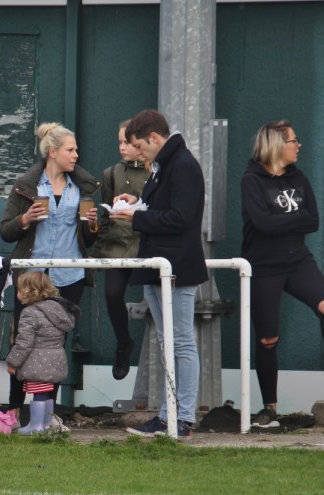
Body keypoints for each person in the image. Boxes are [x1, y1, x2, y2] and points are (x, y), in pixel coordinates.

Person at [241, 120, 324, 428]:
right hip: (263, 266)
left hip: (297, 260)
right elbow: (263, 224)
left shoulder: (297, 177)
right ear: (277, 145)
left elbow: (312, 221)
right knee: (268, 339)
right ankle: (270, 409)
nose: (298, 145)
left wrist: (285, 219)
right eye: (294, 141)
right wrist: (295, 217)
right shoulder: (252, 181)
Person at [0, 122, 99, 427]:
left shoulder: (81, 188)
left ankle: (45, 413)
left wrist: (92, 224)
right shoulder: (26, 186)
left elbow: (90, 238)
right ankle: (14, 409)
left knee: (54, 345)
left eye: (76, 150)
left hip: (70, 275)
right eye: (71, 150)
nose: (76, 155)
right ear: (53, 152)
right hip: (32, 276)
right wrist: (25, 219)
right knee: (23, 339)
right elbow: (5, 231)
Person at [118, 110, 208, 439]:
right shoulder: (166, 166)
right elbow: (166, 210)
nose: (139, 153)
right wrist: (137, 204)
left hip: (175, 267)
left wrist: (136, 217)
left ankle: (182, 418)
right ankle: (169, 415)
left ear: (155, 138)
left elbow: (180, 218)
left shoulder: (182, 165)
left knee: (180, 341)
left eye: (141, 146)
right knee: (168, 341)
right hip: (159, 264)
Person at [91, 119, 151, 380]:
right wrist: (98, 249)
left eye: (127, 142)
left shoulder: (156, 171)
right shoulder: (111, 174)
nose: (122, 147)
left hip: (148, 244)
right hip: (118, 245)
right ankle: (123, 342)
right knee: (113, 294)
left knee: (158, 299)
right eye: (119, 142)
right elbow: (106, 217)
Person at [6, 271, 80, 435]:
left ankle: (36, 426)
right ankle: (46, 425)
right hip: (57, 359)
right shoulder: (59, 310)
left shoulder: (29, 313)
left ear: (29, 292)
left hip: (39, 362)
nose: (17, 293)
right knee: (46, 393)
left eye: (19, 289)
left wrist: (12, 362)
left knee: (39, 394)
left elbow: (24, 342)